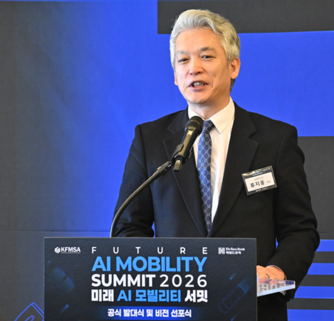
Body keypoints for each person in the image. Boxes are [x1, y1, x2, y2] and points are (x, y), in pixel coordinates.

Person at [112, 9, 320, 321]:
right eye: (183, 60)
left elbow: (299, 229)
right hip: (176, 310)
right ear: (175, 75)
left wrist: (276, 271)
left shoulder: (275, 139)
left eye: (206, 56)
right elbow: (128, 227)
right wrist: (165, 275)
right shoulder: (150, 139)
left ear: (233, 66)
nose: (193, 68)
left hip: (253, 308)